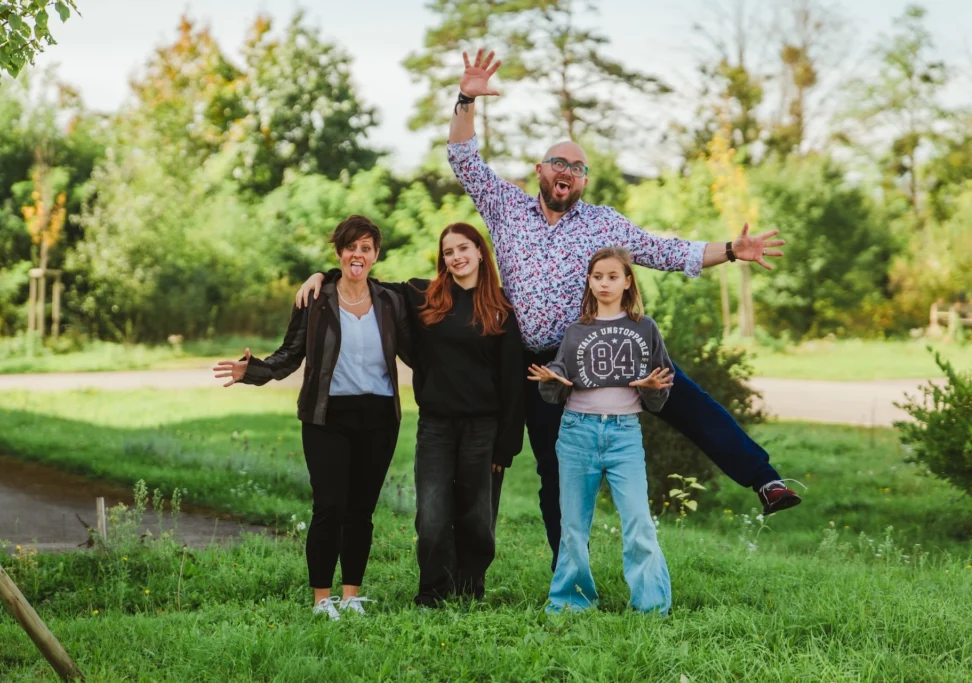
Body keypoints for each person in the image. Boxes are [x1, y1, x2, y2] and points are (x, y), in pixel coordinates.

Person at [448, 48, 801, 570]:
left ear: (584, 182)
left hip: (605, 341)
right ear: (540, 170)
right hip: (542, 363)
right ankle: (569, 573)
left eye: (578, 167)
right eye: (559, 163)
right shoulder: (507, 209)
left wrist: (731, 250)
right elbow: (463, 158)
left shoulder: (603, 223)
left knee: (686, 400)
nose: (568, 171)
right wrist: (466, 98)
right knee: (554, 472)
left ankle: (764, 480)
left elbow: (666, 251)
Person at [296, 222, 525, 607]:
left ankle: (469, 591)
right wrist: (323, 275)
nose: (457, 257)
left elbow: (513, 381)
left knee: (477, 516)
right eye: (448, 251)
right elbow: (362, 278)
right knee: (432, 515)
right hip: (436, 425)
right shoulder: (424, 295)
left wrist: (507, 445)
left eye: (464, 248)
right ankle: (433, 592)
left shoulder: (501, 307)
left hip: (483, 428)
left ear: (480, 252)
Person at [213, 215, 412, 620]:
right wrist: (253, 370)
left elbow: (421, 339)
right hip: (327, 416)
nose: (358, 255)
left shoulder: (390, 300)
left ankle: (351, 595)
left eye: (366, 248)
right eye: (351, 247)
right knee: (329, 507)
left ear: (376, 255)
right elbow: (290, 353)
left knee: (361, 510)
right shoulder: (316, 299)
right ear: (339, 252)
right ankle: (322, 599)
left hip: (379, 416)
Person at [530, 247, 674, 614]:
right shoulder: (577, 331)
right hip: (577, 432)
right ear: (589, 282)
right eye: (597, 277)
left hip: (624, 434)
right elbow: (559, 380)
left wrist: (651, 388)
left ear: (627, 281)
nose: (604, 283)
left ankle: (651, 604)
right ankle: (571, 601)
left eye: (612, 276)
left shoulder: (645, 327)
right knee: (573, 525)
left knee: (638, 520)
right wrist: (552, 380)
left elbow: (662, 384)